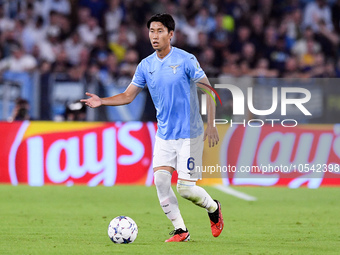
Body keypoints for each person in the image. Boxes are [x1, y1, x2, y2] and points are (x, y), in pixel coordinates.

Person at [81, 13, 224, 242]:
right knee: (160, 181)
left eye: (159, 31)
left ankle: (213, 208)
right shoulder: (145, 65)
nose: (154, 36)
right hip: (165, 135)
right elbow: (128, 96)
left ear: (170, 34)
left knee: (186, 189)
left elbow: (208, 90)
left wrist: (212, 125)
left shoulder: (186, 59)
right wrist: (102, 101)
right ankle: (181, 231)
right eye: (151, 31)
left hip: (190, 134)